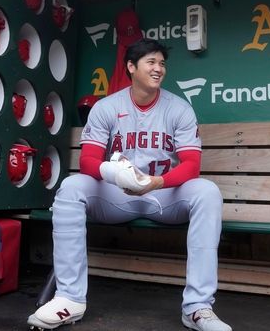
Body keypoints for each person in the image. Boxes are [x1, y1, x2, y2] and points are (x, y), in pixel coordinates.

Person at [28, 39, 231, 331]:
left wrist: (156, 182)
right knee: (72, 187)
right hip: (119, 196)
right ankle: (69, 299)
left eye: (162, 63)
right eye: (151, 62)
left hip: (162, 196)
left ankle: (198, 308)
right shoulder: (107, 107)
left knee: (207, 192)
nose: (158, 68)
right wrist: (117, 175)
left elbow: (191, 166)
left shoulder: (179, 109)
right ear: (131, 67)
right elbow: (88, 161)